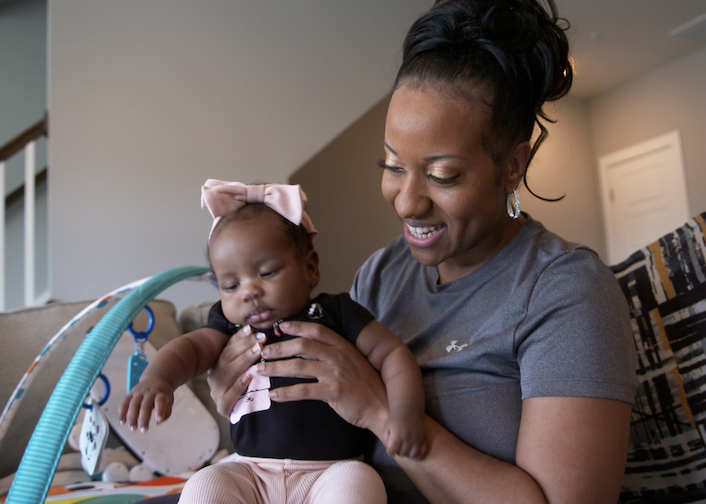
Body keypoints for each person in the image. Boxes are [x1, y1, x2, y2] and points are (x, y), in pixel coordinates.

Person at [205, 1, 638, 503]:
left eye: (443, 174)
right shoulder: (382, 275)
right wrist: (238, 390)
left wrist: (380, 411)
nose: (406, 201)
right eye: (392, 165)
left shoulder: (566, 291)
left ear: (514, 165)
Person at [119, 180, 426, 504]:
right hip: (251, 472)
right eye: (231, 284)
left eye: (266, 273)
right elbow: (191, 350)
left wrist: (405, 411)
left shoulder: (334, 312)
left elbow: (392, 353)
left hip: (332, 470)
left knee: (360, 485)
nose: (248, 292)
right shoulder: (229, 326)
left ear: (309, 268)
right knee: (203, 485)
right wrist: (158, 378)